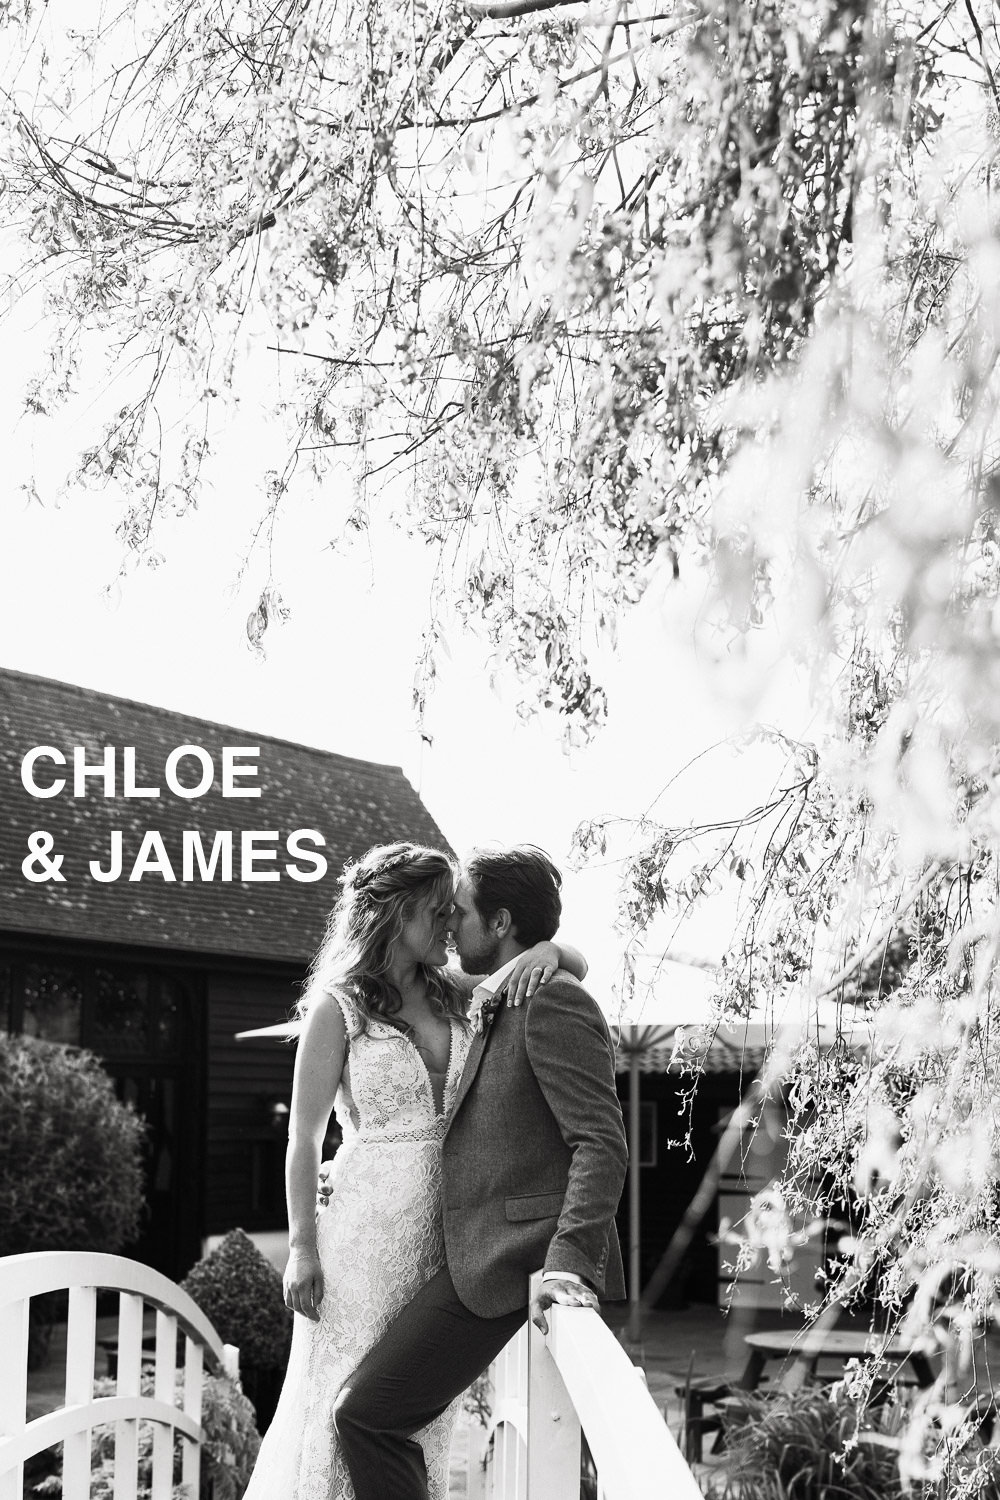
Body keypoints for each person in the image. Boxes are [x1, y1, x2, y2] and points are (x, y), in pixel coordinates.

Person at [240, 841, 588, 1500]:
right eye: (436, 912)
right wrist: (302, 1249)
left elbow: (574, 965)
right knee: (343, 1406)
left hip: (445, 1236)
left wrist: (550, 951)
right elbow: (302, 1138)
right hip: (362, 1242)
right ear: (395, 916)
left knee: (414, 1416)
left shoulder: (457, 991)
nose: (450, 928)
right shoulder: (336, 1009)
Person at [332, 844, 628, 1500]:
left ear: (497, 924)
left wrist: (568, 1262)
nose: (448, 925)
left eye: (459, 912)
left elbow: (602, 1143)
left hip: (517, 1257)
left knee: (366, 1415)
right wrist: (559, 950)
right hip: (479, 1253)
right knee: (372, 1414)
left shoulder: (552, 1002)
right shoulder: (498, 992)